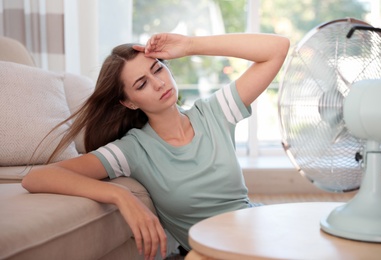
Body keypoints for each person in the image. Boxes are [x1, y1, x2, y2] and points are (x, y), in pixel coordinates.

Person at [22, 32, 290, 259]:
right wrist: (120, 196)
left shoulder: (215, 112)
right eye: (142, 84)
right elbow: (38, 178)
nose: (159, 83)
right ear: (129, 102)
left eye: (158, 68)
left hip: (258, 233)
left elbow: (277, 48)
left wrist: (190, 46)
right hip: (208, 252)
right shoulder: (132, 150)